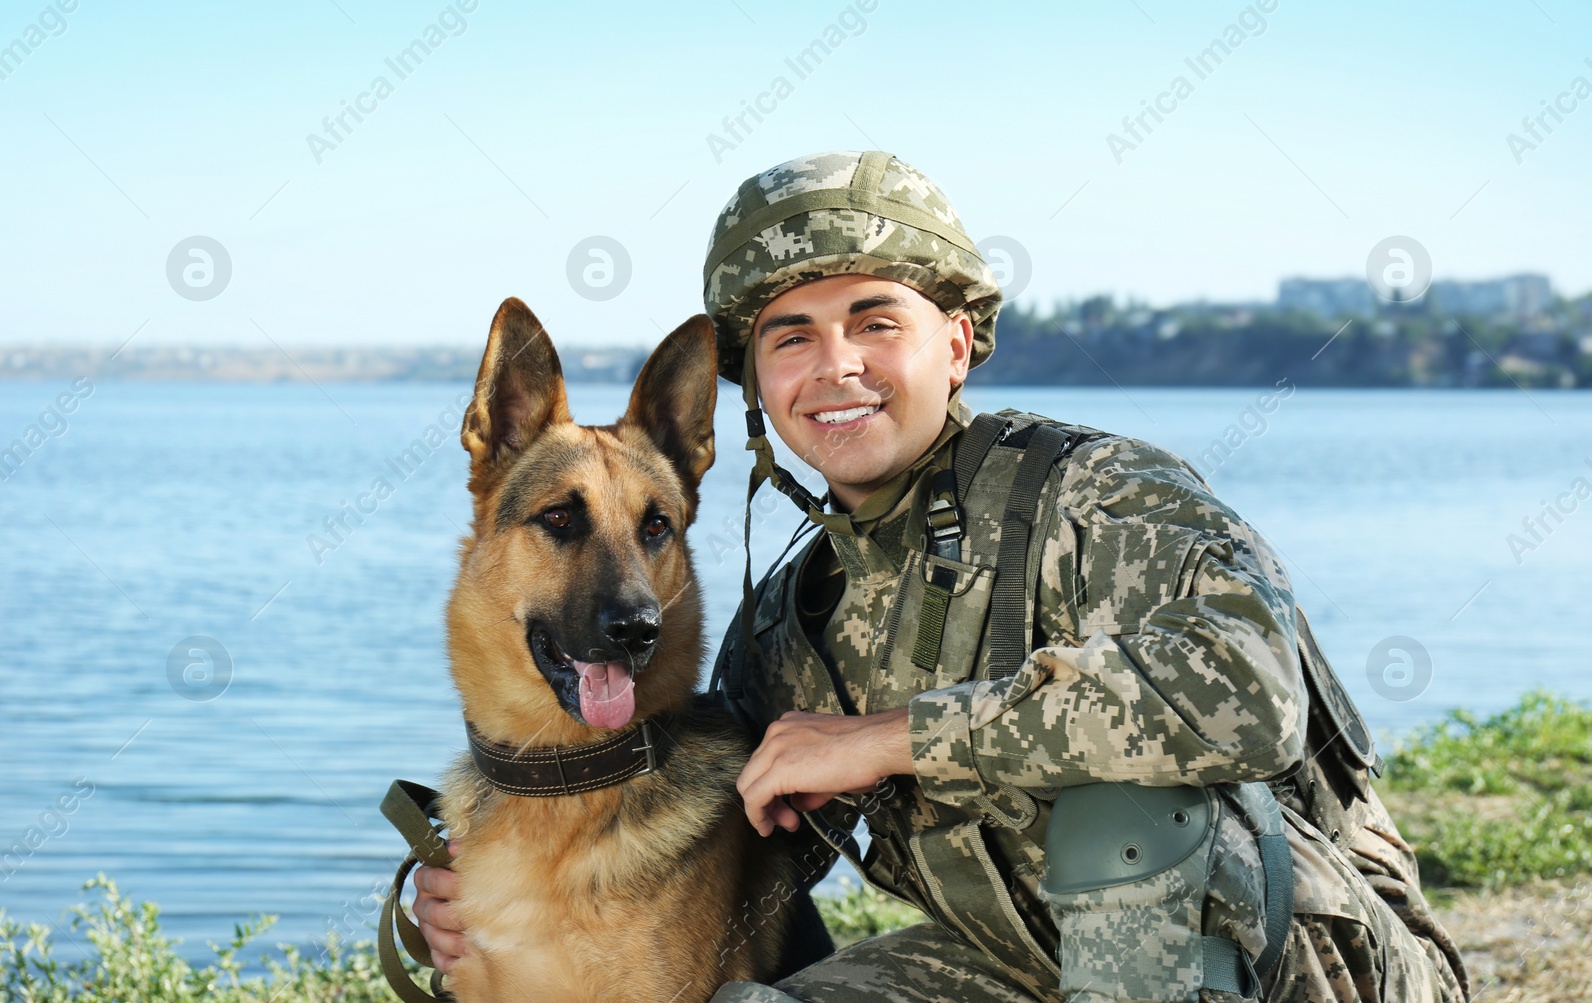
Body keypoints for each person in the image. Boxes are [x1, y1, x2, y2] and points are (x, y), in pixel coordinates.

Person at [413, 151, 1468, 1003]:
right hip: (1023, 968)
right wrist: (468, 903)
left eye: (876, 321)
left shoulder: (1093, 496)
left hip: (1298, 955)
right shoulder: (796, 620)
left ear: (955, 344)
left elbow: (1246, 694)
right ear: (757, 389)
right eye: (792, 337)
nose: (836, 365)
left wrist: (895, 734)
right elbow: (707, 820)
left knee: (1120, 824)